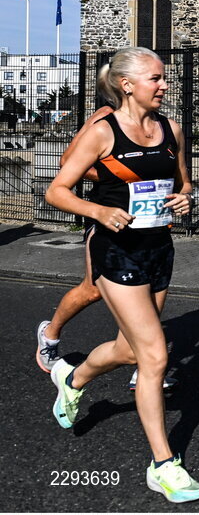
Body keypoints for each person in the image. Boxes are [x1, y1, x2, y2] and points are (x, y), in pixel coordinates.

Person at [44, 47, 199, 502]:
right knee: (155, 356)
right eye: (156, 78)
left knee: (129, 351)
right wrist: (98, 209)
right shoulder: (102, 132)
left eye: (165, 78)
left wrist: (185, 198)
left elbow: (183, 182)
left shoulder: (171, 129)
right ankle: (163, 464)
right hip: (115, 252)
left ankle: (71, 379)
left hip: (159, 248)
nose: (165, 85)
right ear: (127, 84)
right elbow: (56, 190)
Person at [34, 105, 113, 372]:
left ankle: (148, 365)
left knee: (147, 292)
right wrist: (115, 176)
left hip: (145, 224)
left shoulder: (157, 124)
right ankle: (50, 333)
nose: (162, 86)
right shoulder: (105, 115)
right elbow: (67, 162)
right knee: (94, 290)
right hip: (105, 212)